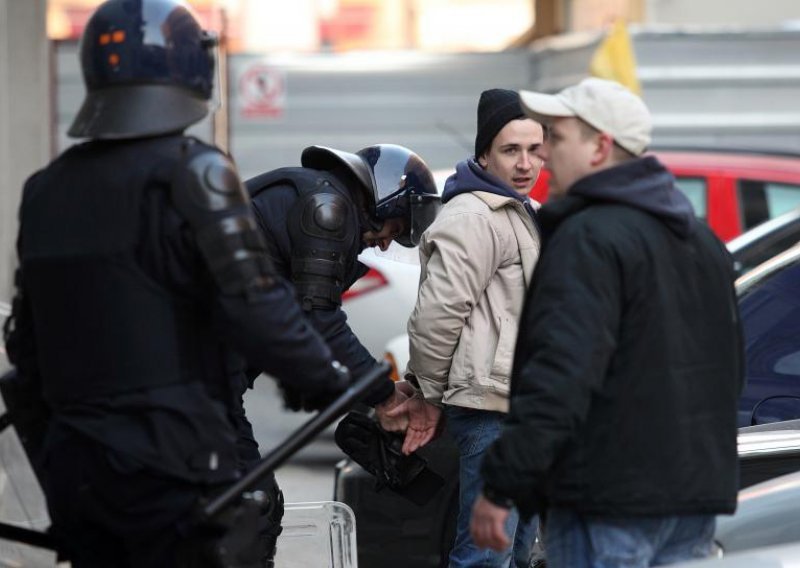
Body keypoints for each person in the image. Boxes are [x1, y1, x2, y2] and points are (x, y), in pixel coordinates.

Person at [3, 1, 356, 566]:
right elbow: (258, 305)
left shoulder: (46, 189)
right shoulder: (196, 172)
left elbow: (27, 345)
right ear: (192, 71)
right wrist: (327, 376)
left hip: (78, 471)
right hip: (174, 467)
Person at [470, 78, 744, 568]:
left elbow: (560, 373)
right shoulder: (702, 239)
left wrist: (502, 485)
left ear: (600, 147)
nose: (545, 155)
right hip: (693, 501)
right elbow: (727, 374)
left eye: (556, 137)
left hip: (606, 501)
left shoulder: (587, 236)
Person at [239, 142, 441, 548]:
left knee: (239, 508)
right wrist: (383, 395)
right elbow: (321, 321)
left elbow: (297, 337)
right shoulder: (327, 210)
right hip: (186, 376)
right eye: (394, 230)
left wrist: (369, 396)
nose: (385, 245)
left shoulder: (320, 197)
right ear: (385, 201)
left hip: (197, 374)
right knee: (249, 508)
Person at [393, 88, 544, 568]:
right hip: (488, 407)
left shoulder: (518, 210)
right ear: (484, 153)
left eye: (534, 149)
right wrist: (429, 396)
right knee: (485, 555)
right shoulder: (475, 215)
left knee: (520, 552)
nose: (525, 163)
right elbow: (437, 315)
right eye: (510, 150)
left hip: (518, 405)